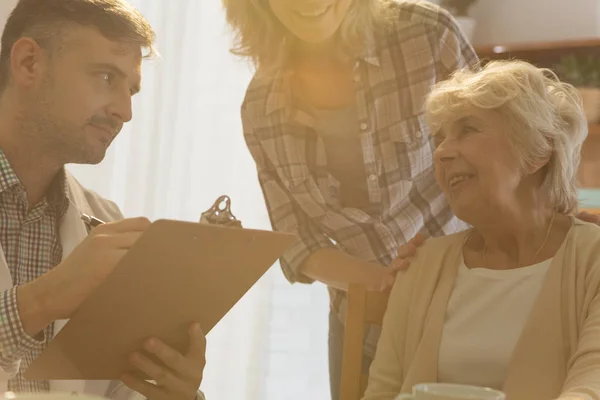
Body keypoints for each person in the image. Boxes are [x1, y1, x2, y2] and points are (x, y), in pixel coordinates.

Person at [0, 1, 205, 399]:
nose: (125, 111)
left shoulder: (105, 223)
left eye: (131, 90)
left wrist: (174, 392)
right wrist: (38, 303)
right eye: (106, 77)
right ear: (28, 63)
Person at [364, 60, 600, 400]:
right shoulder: (421, 266)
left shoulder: (591, 259)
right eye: (440, 138)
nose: (442, 151)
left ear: (537, 151)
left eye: (468, 130)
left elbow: (591, 387)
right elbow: (382, 393)